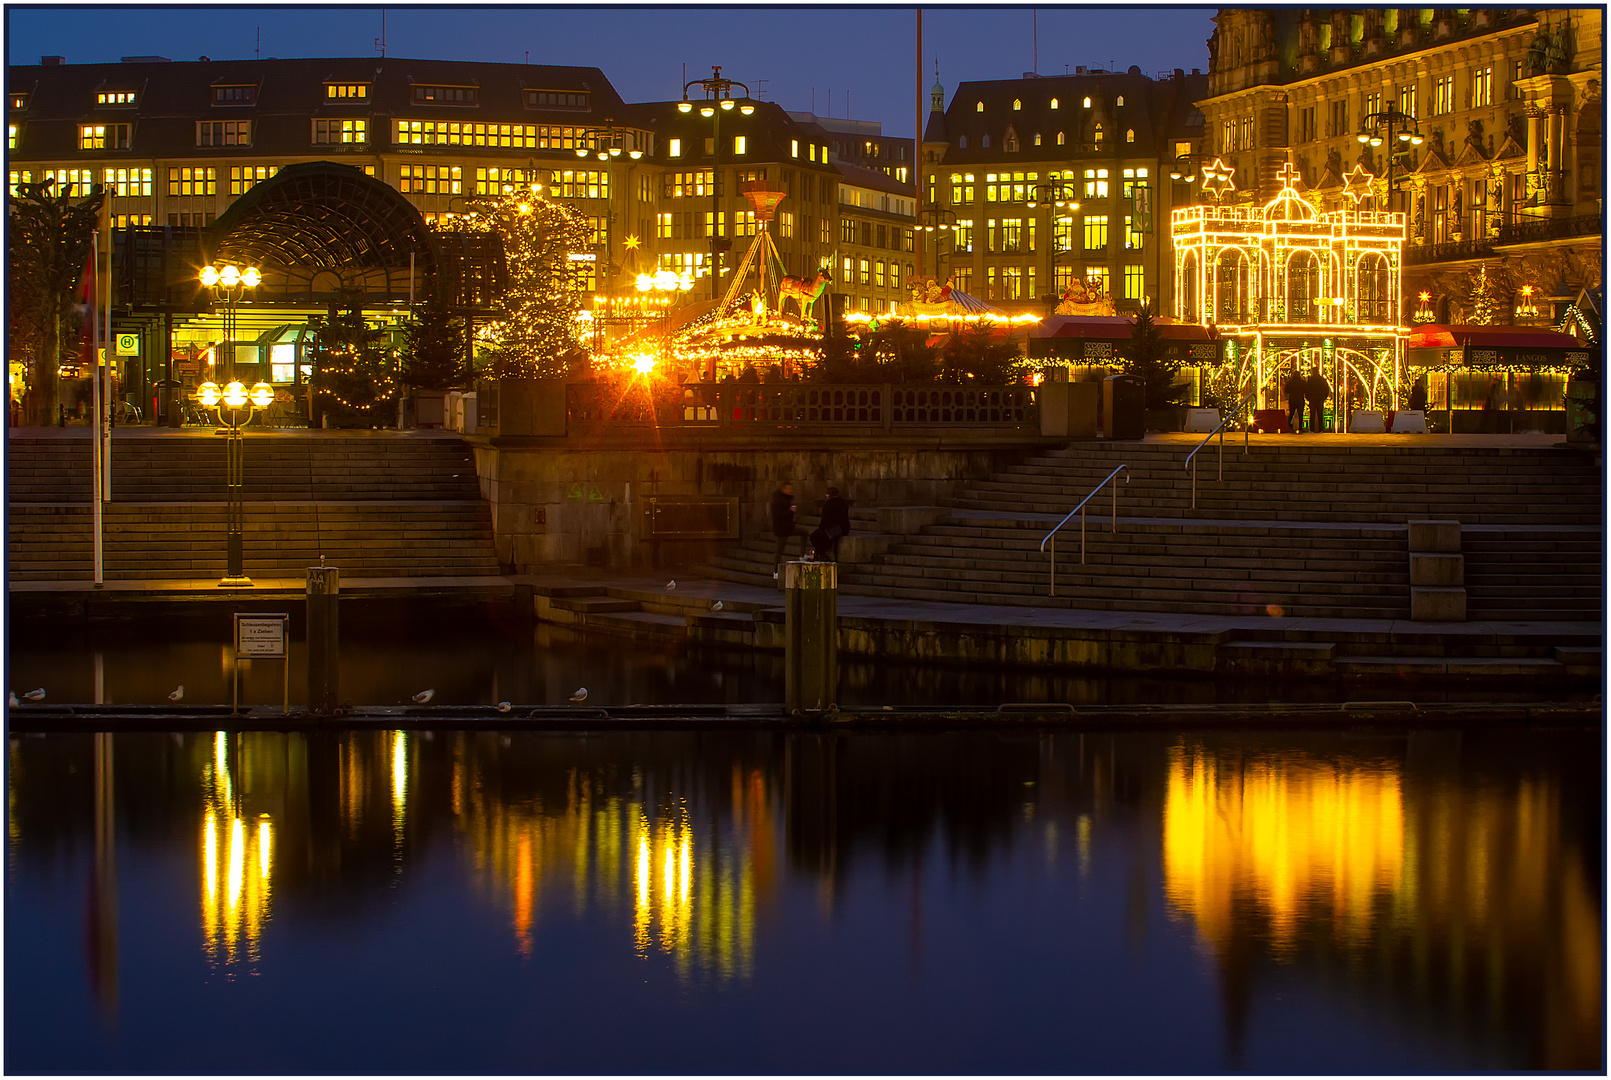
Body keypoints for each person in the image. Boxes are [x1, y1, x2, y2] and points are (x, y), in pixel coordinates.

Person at [769, 482, 809, 579]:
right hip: (781, 529)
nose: (790, 491)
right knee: (779, 550)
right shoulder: (777, 500)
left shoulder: (787, 499)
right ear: (783, 489)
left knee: (804, 533)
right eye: (788, 489)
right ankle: (775, 571)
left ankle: (802, 554)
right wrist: (790, 511)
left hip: (789, 527)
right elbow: (778, 514)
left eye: (791, 489)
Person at [811, 486, 851, 562]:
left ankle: (823, 554)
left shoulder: (829, 504)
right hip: (843, 528)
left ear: (828, 495)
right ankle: (824, 553)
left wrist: (822, 528)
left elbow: (825, 519)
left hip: (834, 529)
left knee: (814, 537)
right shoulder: (843, 503)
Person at [1305, 368, 1331, 433]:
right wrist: (1323, 397)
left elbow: (1307, 390)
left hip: (1313, 399)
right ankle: (1320, 429)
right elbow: (1326, 389)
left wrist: (1308, 397)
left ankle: (1312, 429)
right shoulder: (1322, 380)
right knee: (1319, 414)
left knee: (1313, 414)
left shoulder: (1310, 380)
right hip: (1319, 399)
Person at [1282, 368, 1306, 433]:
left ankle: (1290, 427)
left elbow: (1286, 390)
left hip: (1292, 399)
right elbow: (1306, 390)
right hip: (1300, 399)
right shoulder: (1302, 382)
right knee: (1300, 414)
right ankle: (1300, 427)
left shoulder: (1290, 382)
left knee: (1291, 414)